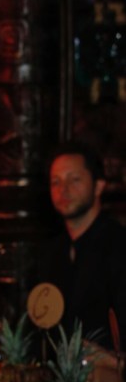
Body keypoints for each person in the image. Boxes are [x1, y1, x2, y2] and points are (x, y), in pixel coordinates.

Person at [39, 141, 126, 354]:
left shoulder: (118, 245)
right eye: (56, 182)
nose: (63, 190)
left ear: (99, 186)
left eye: (74, 179)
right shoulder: (52, 251)